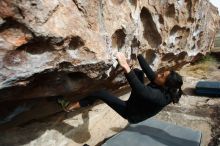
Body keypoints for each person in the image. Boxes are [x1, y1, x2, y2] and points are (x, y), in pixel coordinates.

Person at [61, 52, 183, 124]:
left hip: (131, 113)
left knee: (100, 93)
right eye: (162, 73)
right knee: (138, 73)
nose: (159, 74)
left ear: (166, 84)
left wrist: (125, 66)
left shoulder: (160, 97)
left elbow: (142, 91)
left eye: (162, 76)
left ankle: (69, 106)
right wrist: (138, 54)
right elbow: (149, 73)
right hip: (139, 103)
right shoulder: (167, 86)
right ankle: (87, 101)